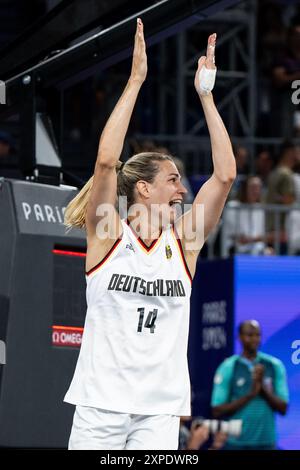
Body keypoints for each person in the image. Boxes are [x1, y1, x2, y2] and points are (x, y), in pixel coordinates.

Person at [63, 18, 236, 450]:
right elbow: (106, 162)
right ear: (144, 188)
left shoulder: (184, 243)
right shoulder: (108, 234)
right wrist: (136, 80)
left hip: (158, 411)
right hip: (101, 405)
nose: (182, 190)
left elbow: (226, 175)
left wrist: (207, 97)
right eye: (173, 180)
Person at [211, 320, 289, 450]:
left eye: (257, 335)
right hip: (236, 444)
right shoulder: (229, 367)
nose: (254, 339)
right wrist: (250, 394)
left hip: (267, 443)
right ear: (239, 337)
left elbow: (283, 408)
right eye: (249, 335)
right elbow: (217, 410)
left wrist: (262, 388)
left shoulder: (274, 365)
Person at [222, 176, 267, 255]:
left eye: (258, 188)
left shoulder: (260, 209)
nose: (256, 191)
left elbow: (261, 236)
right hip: (234, 248)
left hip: (256, 248)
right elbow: (235, 236)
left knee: (269, 252)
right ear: (245, 189)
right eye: (253, 188)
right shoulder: (232, 206)